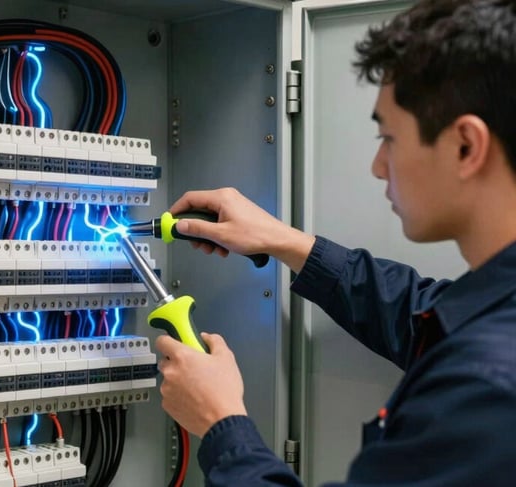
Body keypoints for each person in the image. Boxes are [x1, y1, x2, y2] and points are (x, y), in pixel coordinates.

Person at [155, 1, 516, 486]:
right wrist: (287, 242)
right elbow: (420, 315)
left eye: (388, 138)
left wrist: (222, 425)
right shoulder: (494, 321)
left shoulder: (485, 390)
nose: (378, 166)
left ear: (466, 146)